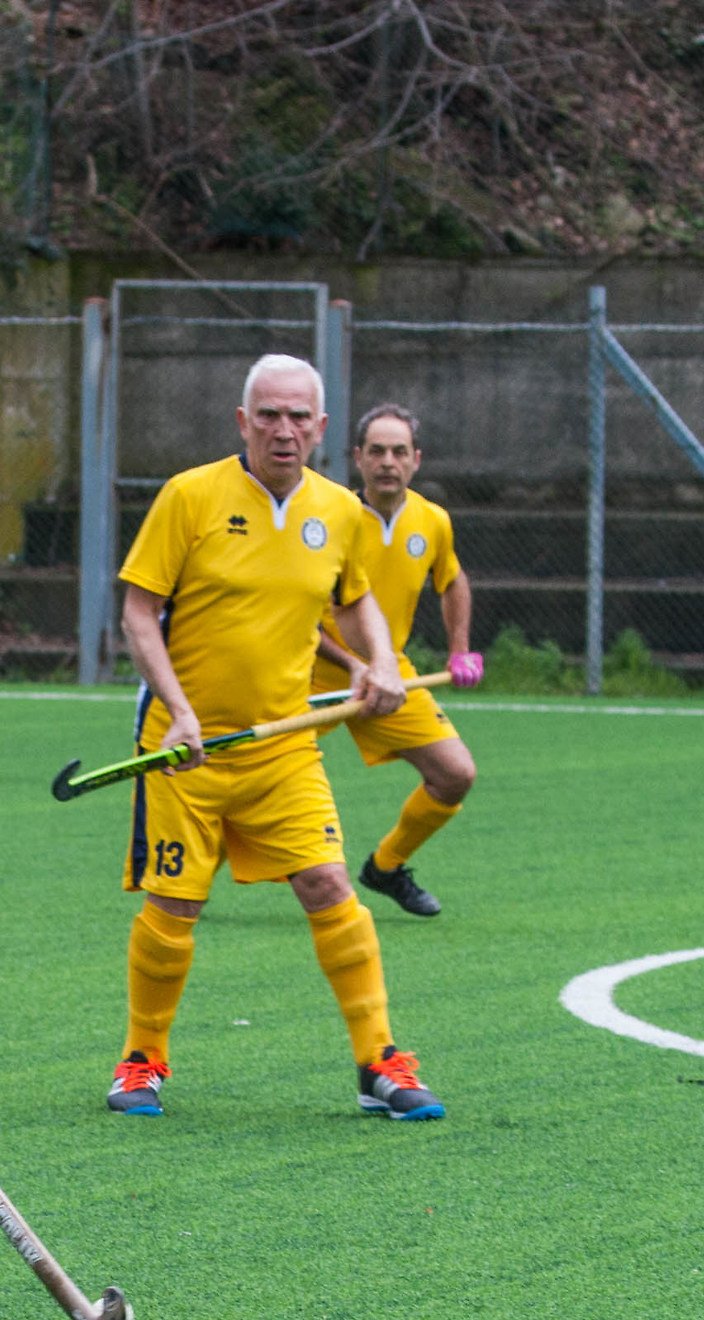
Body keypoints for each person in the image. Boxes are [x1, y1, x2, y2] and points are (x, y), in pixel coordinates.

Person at [107, 355, 445, 1123]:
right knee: (175, 904)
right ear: (242, 422)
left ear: (323, 429)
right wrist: (180, 709)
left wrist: (381, 664)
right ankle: (141, 1059)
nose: (284, 430)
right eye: (268, 415)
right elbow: (138, 612)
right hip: (184, 745)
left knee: (330, 885)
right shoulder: (189, 496)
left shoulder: (340, 511)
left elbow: (356, 604)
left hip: (284, 749)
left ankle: (379, 1062)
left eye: (299, 417)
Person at [311, 403, 483, 919]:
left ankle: (385, 868)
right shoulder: (328, 519)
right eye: (377, 451)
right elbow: (301, 612)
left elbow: (451, 579)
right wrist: (351, 663)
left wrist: (460, 649)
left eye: (399, 452)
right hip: (311, 668)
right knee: (253, 778)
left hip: (392, 675)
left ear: (416, 460)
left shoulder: (433, 521)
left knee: (455, 774)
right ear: (358, 458)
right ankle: (190, 874)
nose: (388, 461)